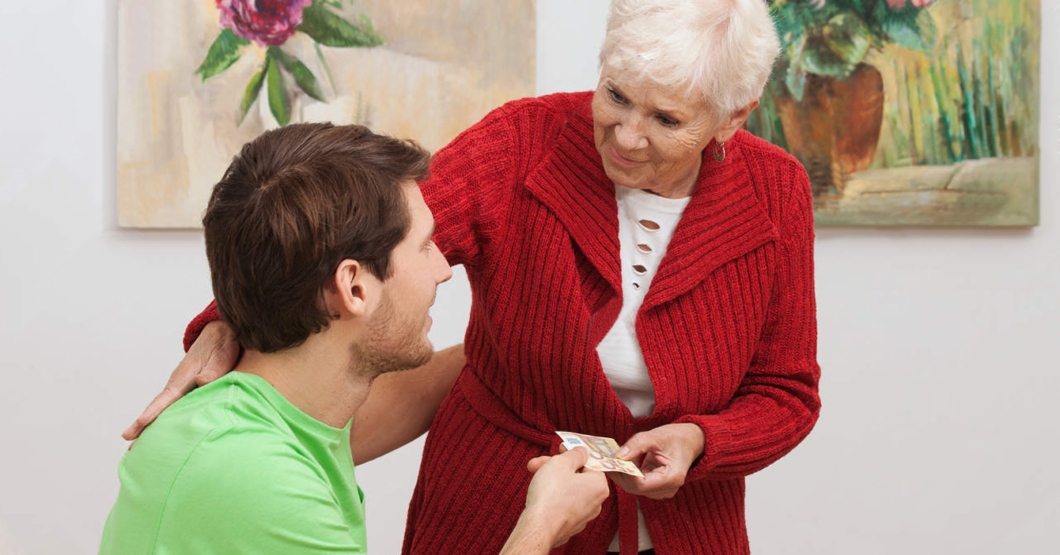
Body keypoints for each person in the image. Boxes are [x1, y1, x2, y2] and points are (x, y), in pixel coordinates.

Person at [126, 0, 822, 553]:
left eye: (667, 119)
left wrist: (701, 440)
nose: (627, 135)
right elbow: (359, 241)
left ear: (733, 117)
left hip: (690, 529)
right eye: (616, 95)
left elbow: (786, 390)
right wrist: (228, 320)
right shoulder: (523, 141)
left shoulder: (777, 192)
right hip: (495, 505)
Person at [100, 123, 609, 555]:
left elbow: (441, 383)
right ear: (354, 287)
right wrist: (542, 526)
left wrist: (528, 338)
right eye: (428, 245)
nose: (443, 270)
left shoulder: (268, 419)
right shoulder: (261, 479)